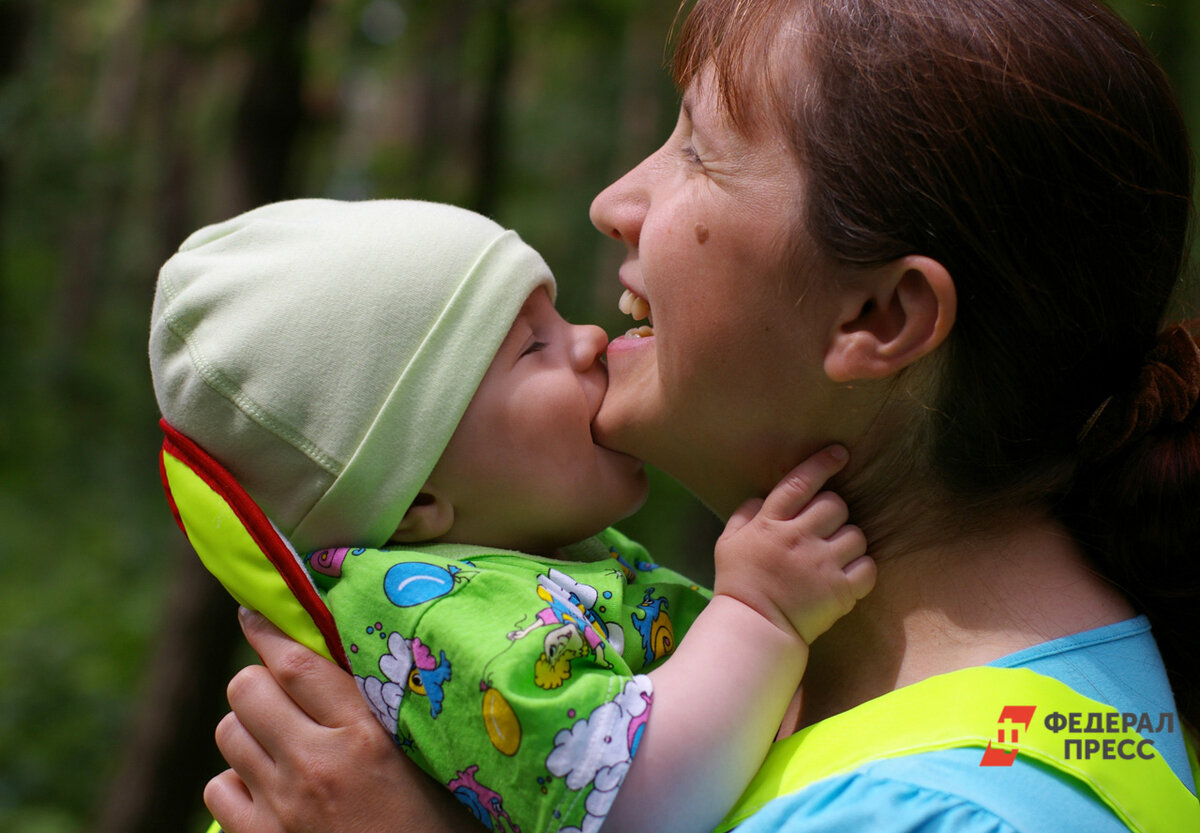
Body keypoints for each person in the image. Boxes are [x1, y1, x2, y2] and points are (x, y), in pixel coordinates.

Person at [202, 0, 1200, 830]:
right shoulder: (881, 703)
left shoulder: (938, 807)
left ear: (879, 317)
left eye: (700, 151)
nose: (613, 199)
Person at [149, 198, 874, 833]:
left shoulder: (521, 565)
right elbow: (642, 807)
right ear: (419, 504)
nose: (589, 339)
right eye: (534, 346)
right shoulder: (450, 619)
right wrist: (759, 612)